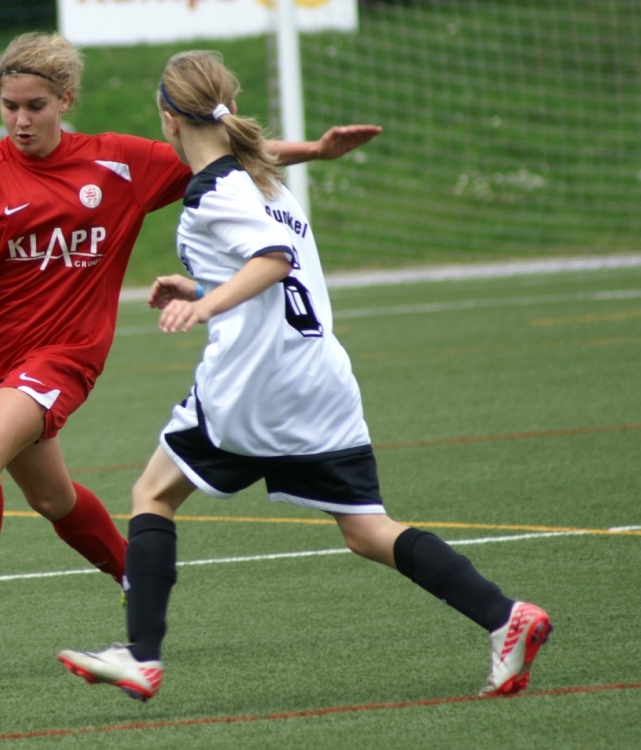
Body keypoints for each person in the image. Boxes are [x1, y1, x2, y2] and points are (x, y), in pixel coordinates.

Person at [57, 50, 551, 702]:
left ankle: (142, 657)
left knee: (153, 493)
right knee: (368, 529)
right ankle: (504, 617)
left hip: (253, 386)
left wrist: (204, 303)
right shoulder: (264, 181)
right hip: (321, 381)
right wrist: (206, 280)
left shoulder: (211, 195)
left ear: (169, 120)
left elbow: (273, 258)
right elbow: (268, 261)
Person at [0, 32, 382, 663]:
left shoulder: (117, 162)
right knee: (52, 499)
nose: (21, 119)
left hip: (66, 354)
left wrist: (317, 151)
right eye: (9, 106)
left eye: (35, 105)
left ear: (65, 99)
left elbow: (221, 150)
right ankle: (131, 574)